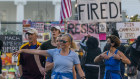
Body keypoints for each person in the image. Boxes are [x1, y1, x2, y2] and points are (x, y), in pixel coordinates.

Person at [14, 34, 86, 79]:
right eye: (60, 41)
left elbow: (79, 70)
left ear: (69, 43)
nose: (61, 43)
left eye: (64, 41)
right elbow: (37, 51)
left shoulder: (73, 55)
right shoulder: (54, 51)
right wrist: (22, 50)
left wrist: (83, 77)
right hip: (55, 77)